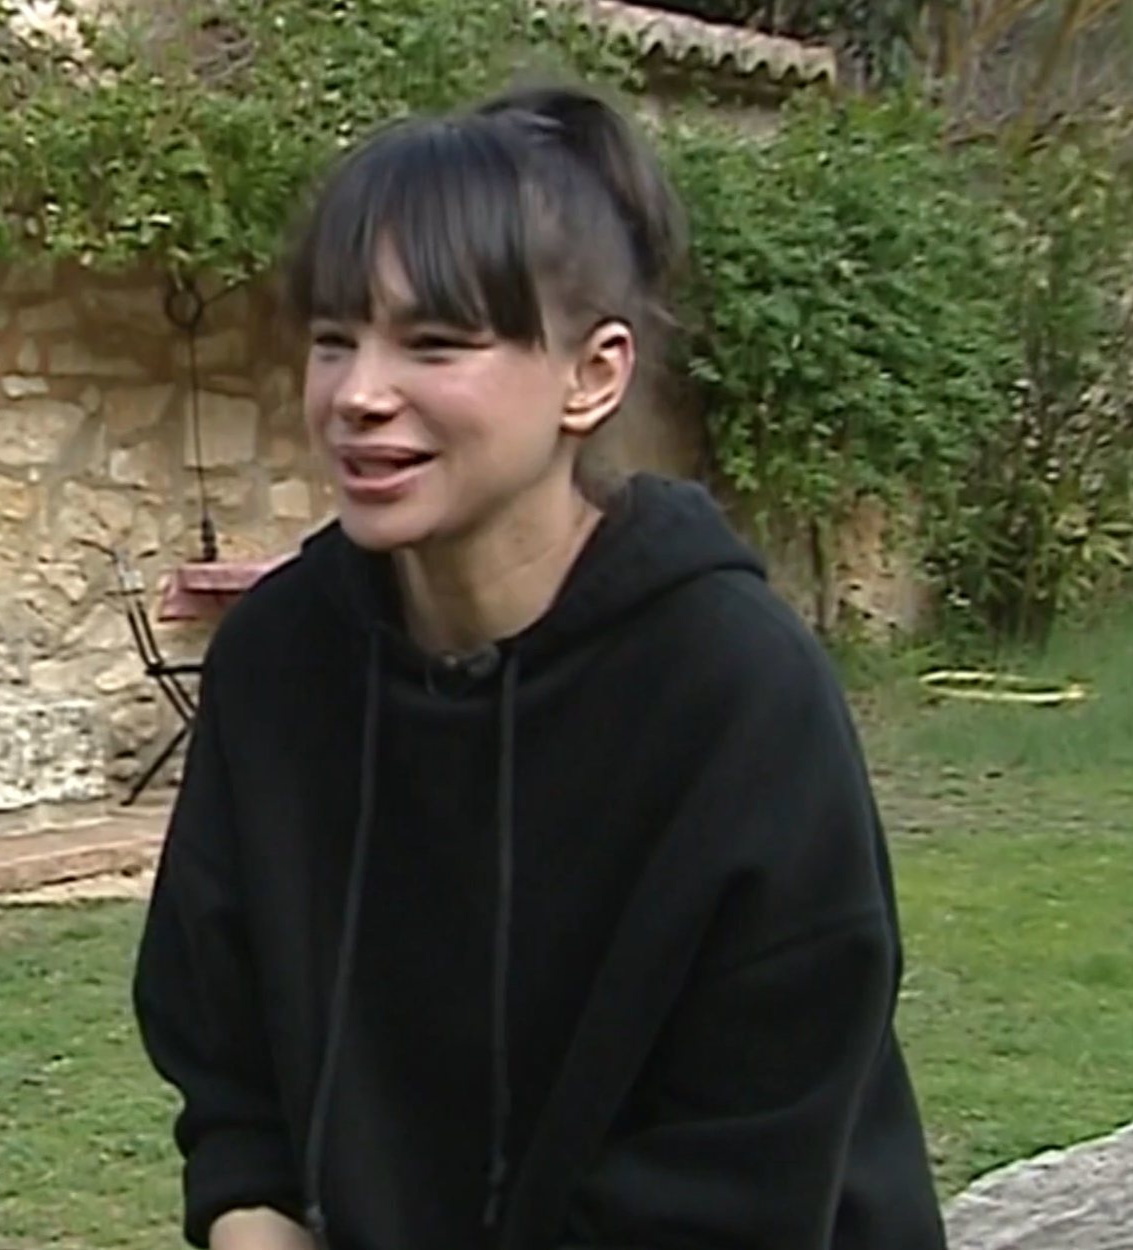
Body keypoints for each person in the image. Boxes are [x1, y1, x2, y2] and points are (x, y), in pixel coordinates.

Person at [130, 82, 948, 1250]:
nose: (359, 394)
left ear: (592, 375)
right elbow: (226, 1057)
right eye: (332, 338)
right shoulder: (278, 663)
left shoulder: (734, 694)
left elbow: (743, 1156)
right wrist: (248, 1214)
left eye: (433, 342)